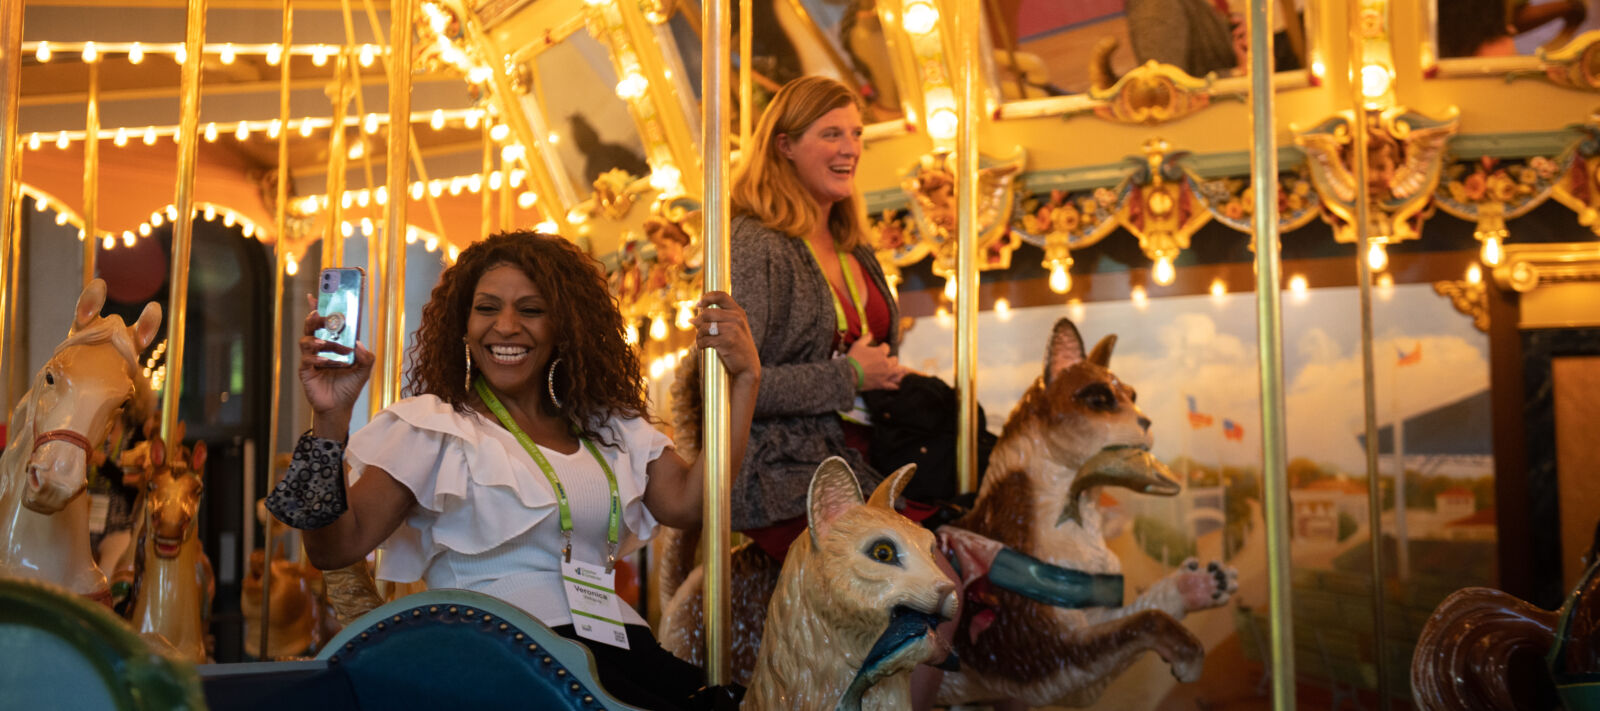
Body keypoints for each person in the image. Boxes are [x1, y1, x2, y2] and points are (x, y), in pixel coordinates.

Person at [267, 231, 760, 710]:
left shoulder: (607, 427)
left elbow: (692, 502)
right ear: (463, 323)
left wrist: (745, 382)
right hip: (499, 653)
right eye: (486, 308)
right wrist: (331, 417)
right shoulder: (434, 426)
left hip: (612, 642)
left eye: (531, 310)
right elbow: (335, 548)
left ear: (564, 326)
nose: (505, 326)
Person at [727, 75, 909, 559]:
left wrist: (886, 375)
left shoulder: (855, 244)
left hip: (862, 459)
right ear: (784, 145)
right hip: (785, 474)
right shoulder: (755, 245)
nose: (850, 148)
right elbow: (735, 385)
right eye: (831, 134)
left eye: (856, 134)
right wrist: (848, 375)